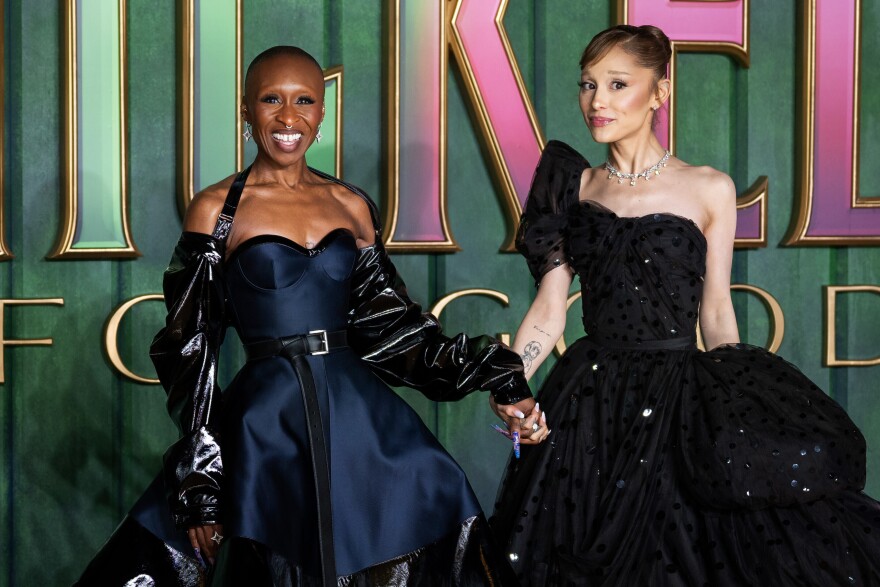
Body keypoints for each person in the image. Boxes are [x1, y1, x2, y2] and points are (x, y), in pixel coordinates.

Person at [76, 45, 539, 587]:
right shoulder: (216, 210)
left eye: (304, 101)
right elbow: (190, 347)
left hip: (358, 416)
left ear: (321, 112)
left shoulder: (350, 205)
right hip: (267, 423)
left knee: (435, 492)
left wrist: (496, 372)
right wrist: (201, 480)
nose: (288, 118)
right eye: (271, 100)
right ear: (246, 110)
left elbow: (393, 331)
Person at [489, 24, 880, 587]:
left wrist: (735, 411)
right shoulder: (571, 187)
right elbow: (551, 309)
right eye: (588, 84)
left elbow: (715, 312)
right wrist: (512, 385)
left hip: (676, 401)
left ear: (660, 92)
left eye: (618, 84)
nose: (597, 102)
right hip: (587, 404)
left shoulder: (709, 188)